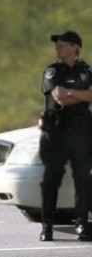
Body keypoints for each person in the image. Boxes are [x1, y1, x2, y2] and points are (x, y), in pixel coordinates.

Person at [38, 30, 92, 242]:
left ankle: (82, 224)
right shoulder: (53, 71)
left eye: (63, 44)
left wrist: (71, 92)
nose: (58, 47)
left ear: (75, 48)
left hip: (81, 133)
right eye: (57, 44)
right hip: (57, 131)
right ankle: (47, 226)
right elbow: (59, 97)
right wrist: (80, 95)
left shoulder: (87, 70)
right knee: (51, 180)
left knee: (83, 179)